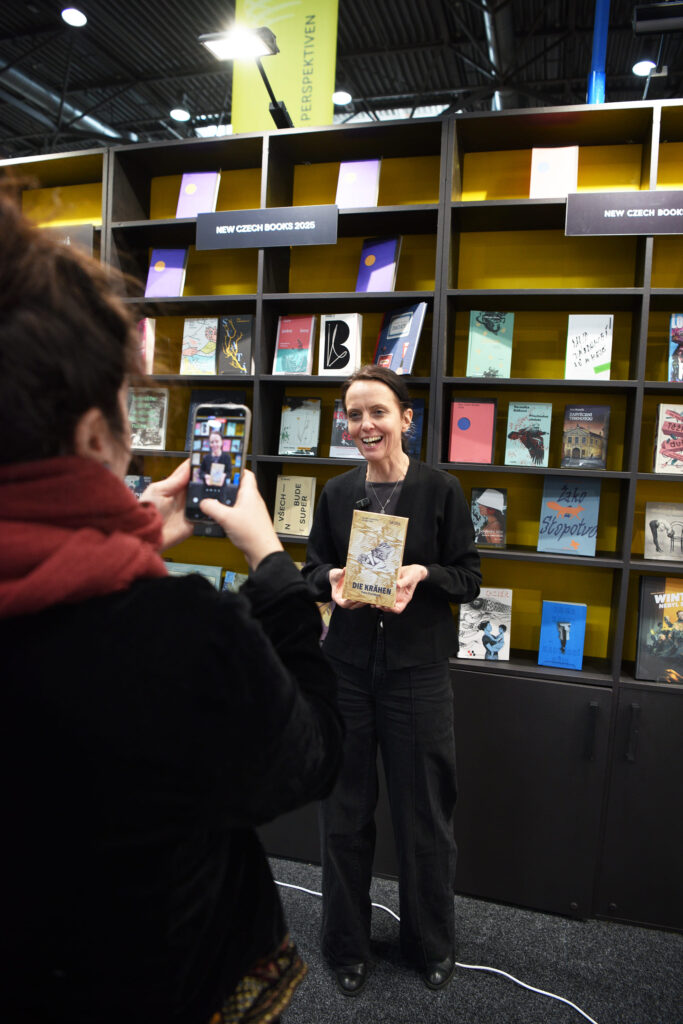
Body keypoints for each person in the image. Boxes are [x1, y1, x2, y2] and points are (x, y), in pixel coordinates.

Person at [0, 181, 344, 1024]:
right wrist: (271, 563)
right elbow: (309, 754)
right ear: (92, 435)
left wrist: (128, 535)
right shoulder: (181, 636)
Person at [301, 365, 482, 996]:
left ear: (406, 418)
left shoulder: (441, 489)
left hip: (416, 674)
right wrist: (329, 581)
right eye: (354, 414)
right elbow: (312, 568)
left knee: (425, 815)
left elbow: (469, 578)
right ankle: (346, 946)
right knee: (344, 814)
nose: (365, 425)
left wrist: (422, 575)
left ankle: (429, 944)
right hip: (347, 671)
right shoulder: (336, 492)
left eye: (377, 411)